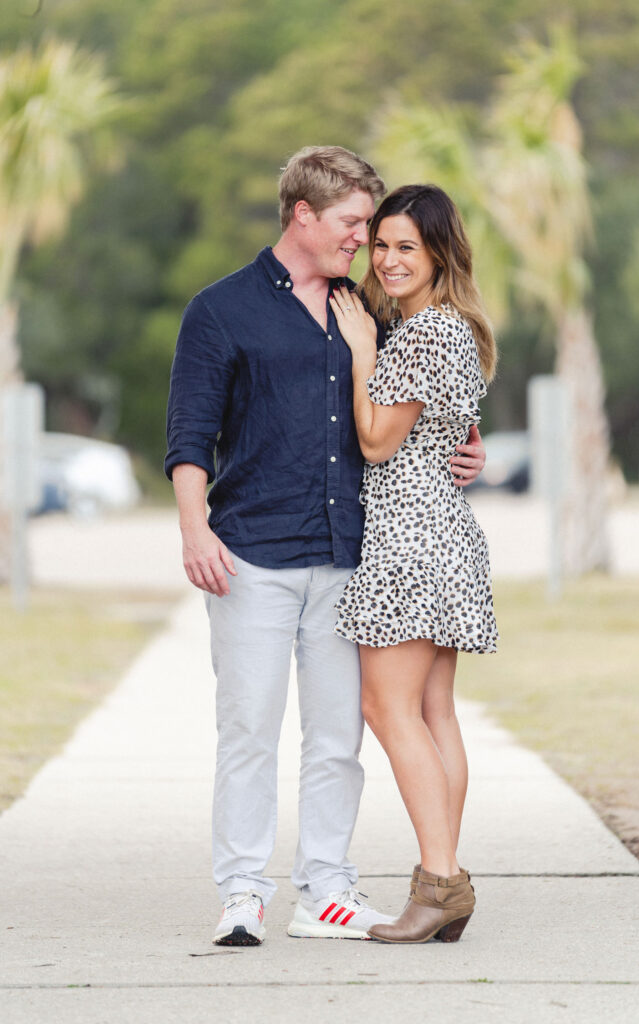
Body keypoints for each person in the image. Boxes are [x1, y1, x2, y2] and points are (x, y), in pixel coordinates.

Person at [164, 148, 487, 947]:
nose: (365, 243)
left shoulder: (370, 311)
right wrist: (193, 525)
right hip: (252, 554)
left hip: (353, 555)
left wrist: (472, 447)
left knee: (340, 737)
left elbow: (421, 409)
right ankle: (243, 889)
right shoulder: (222, 308)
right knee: (248, 729)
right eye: (353, 226)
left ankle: (327, 887)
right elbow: (188, 431)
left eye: (376, 231)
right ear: (302, 215)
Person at [330, 183, 498, 944]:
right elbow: (449, 434)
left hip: (408, 537)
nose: (390, 260)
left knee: (387, 709)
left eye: (407, 247)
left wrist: (364, 352)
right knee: (431, 713)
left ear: (437, 252)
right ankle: (444, 878)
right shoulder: (451, 329)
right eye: (382, 244)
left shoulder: (422, 334)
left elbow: (374, 441)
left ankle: (440, 883)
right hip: (441, 531)